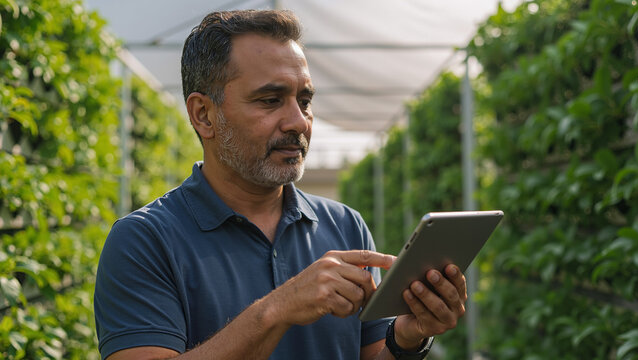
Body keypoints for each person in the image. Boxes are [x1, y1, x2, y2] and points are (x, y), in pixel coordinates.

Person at [94, 9, 467, 360]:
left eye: (304, 100)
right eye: (270, 100)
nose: (298, 122)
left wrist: (407, 338)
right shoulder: (143, 241)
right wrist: (277, 309)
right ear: (203, 114)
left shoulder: (346, 225)